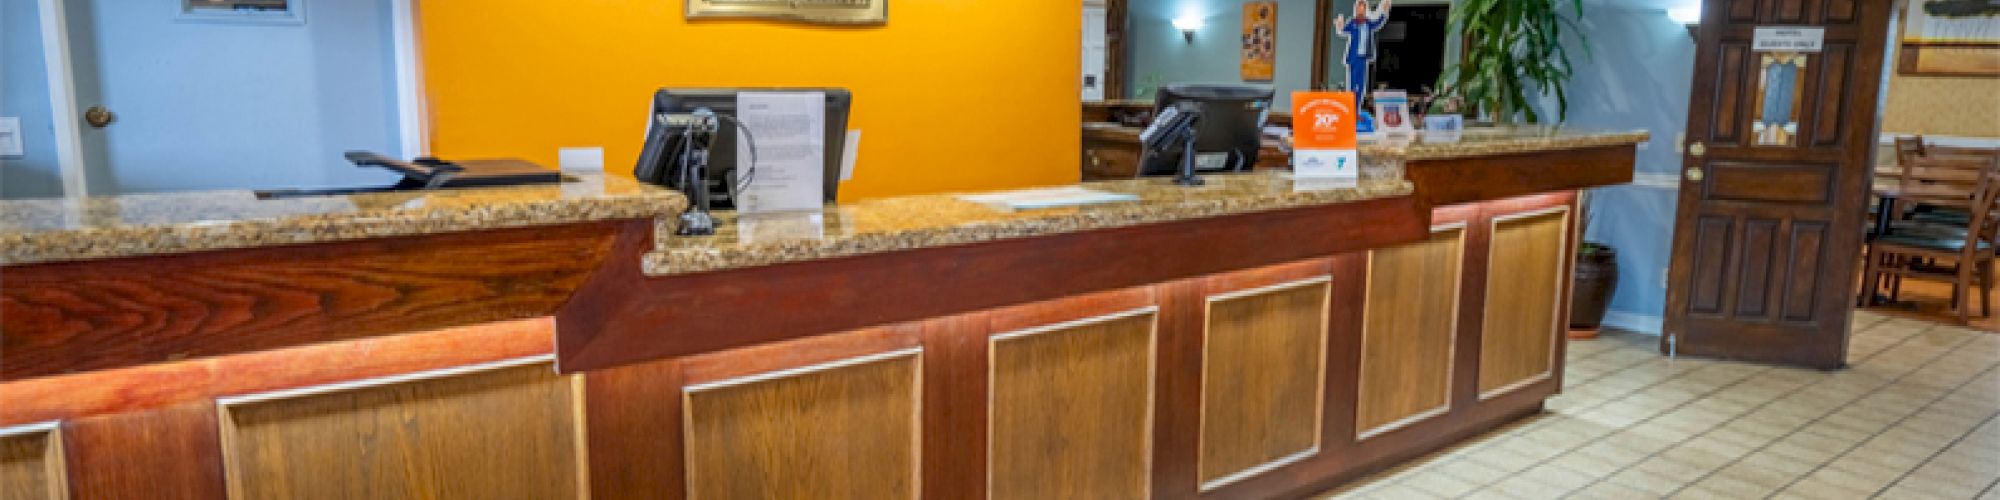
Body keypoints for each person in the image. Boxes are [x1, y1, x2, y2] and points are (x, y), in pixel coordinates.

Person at [1334, 0, 1392, 93]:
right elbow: (1343, 30)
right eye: (1359, 8)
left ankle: (1357, 105)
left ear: (1365, 10)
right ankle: (1352, 105)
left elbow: (1377, 23)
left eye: (1363, 8)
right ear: (1356, 10)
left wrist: (1384, 12)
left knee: (1360, 85)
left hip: (1363, 57)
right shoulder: (1352, 22)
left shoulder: (1368, 23)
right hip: (1353, 57)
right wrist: (1339, 26)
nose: (1360, 11)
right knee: (1352, 84)